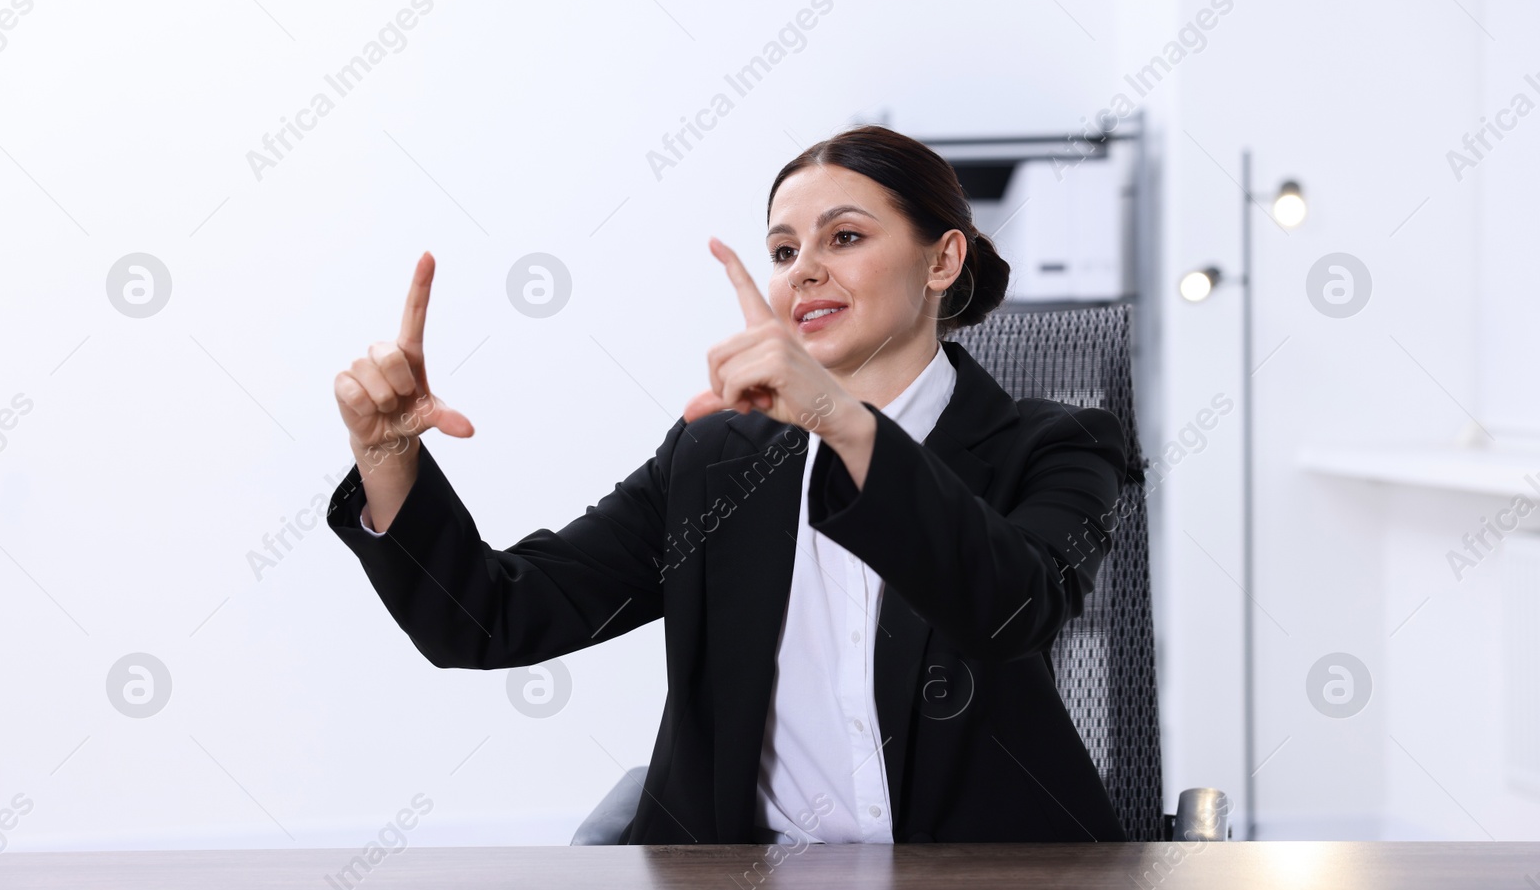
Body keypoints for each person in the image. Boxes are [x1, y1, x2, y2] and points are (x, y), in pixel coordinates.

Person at [326, 125, 1129, 844]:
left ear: (943, 259)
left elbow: (1016, 608)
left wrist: (845, 423)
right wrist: (388, 455)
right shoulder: (718, 460)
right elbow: (493, 617)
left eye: (842, 237)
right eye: (783, 253)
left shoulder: (1058, 444)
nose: (803, 271)